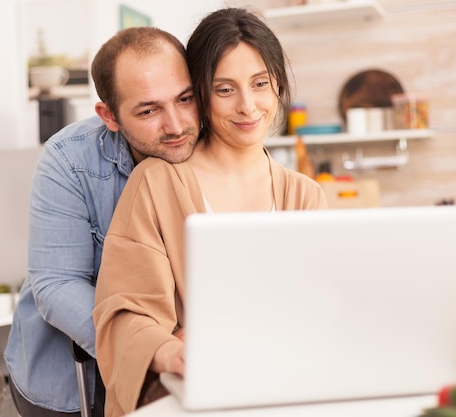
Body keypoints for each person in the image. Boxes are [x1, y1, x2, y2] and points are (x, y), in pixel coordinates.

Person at [93, 7, 329, 417]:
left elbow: (325, 308)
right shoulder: (156, 183)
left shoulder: (305, 195)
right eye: (225, 89)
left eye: (260, 84)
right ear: (199, 93)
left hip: (287, 387)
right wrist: (171, 350)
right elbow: (125, 313)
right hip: (200, 391)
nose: (248, 106)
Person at [3, 27, 200, 417]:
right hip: (68, 382)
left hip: (187, 364)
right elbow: (56, 283)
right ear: (109, 115)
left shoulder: (213, 148)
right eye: (148, 110)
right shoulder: (68, 160)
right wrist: (151, 345)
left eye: (185, 98)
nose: (176, 125)